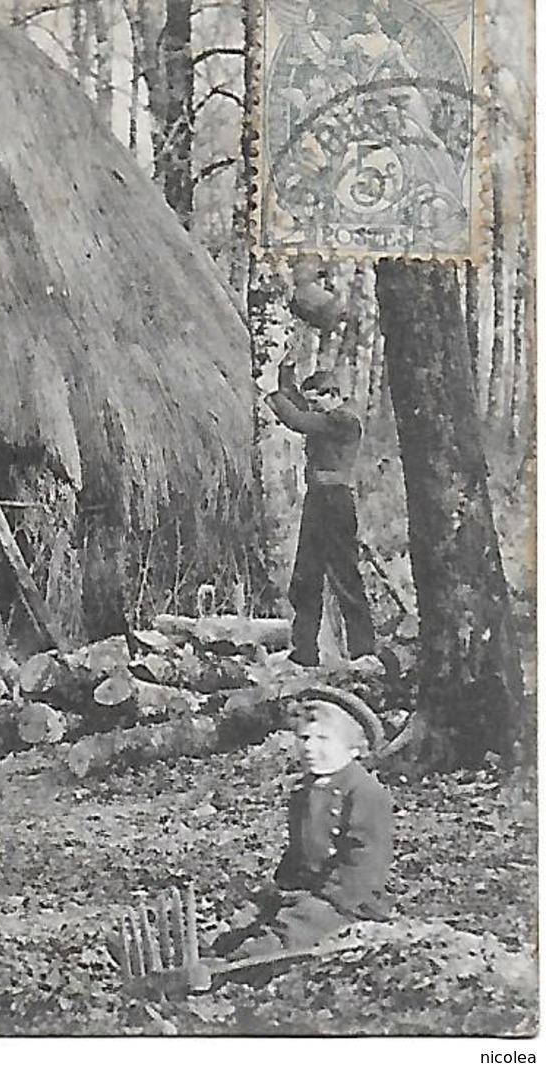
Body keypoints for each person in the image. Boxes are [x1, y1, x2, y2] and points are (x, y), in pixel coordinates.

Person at [212, 690, 392, 960]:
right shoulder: (304, 790)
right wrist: (279, 889)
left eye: (323, 739)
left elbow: (364, 864)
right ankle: (217, 953)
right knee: (245, 922)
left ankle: (244, 962)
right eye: (304, 738)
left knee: (291, 931)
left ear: (354, 747)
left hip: (348, 900)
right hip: (306, 891)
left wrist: (323, 898)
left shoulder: (364, 791)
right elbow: (298, 852)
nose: (309, 747)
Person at [266, 362, 376, 667]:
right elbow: (302, 410)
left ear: (332, 395)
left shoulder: (344, 420)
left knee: (345, 578)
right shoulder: (329, 416)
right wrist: (285, 376)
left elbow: (299, 420)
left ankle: (364, 652)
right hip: (318, 501)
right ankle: (304, 652)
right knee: (306, 576)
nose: (315, 407)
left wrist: (272, 394)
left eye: (317, 401)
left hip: (337, 502)